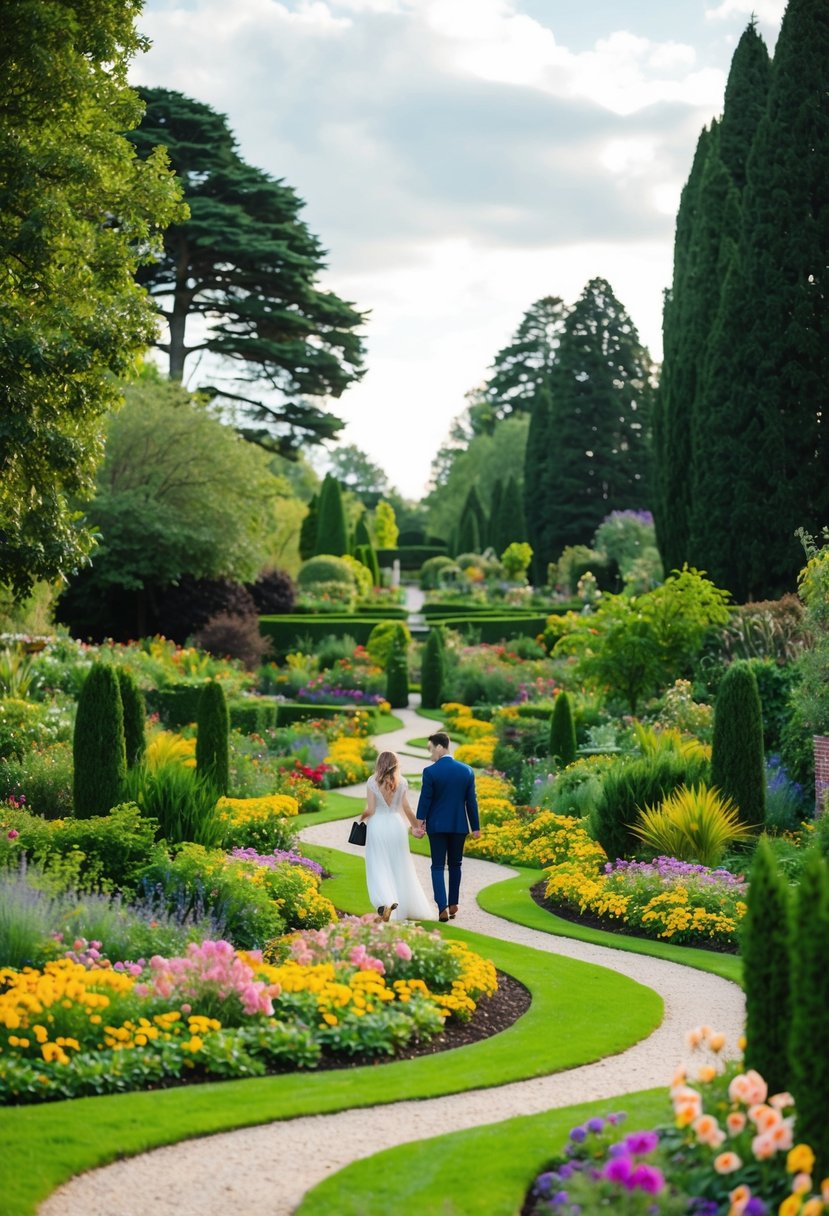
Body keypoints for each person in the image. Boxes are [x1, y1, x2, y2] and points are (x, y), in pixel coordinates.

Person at [414, 732, 480, 923]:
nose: (430, 754)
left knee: (437, 866)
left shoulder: (430, 771)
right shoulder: (467, 771)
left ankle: (442, 907)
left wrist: (420, 822)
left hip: (437, 826)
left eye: (431, 749)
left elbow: (425, 799)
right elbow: (471, 802)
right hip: (459, 826)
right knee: (455, 865)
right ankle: (453, 904)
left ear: (440, 747)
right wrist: (475, 826)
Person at [360, 751, 433, 922]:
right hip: (396, 825)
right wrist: (417, 827)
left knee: (378, 865)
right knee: (400, 865)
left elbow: (370, 810)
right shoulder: (402, 783)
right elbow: (407, 809)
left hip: (378, 825)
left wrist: (360, 818)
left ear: (380, 763)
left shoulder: (372, 781)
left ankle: (386, 903)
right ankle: (401, 905)